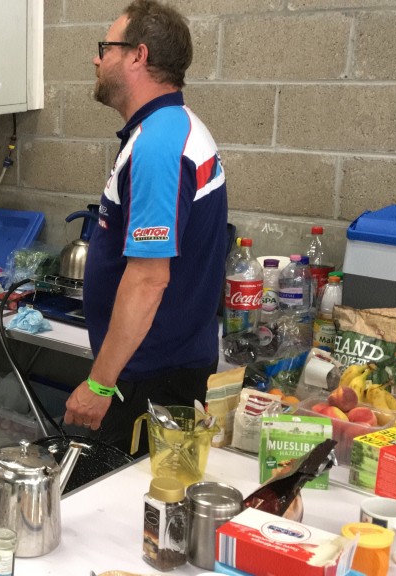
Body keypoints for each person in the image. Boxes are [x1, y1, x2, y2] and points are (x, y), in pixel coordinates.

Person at [63, 0, 228, 456]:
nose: (97, 59)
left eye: (106, 47)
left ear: (138, 55)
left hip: (152, 382)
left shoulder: (159, 146)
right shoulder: (170, 127)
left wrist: (99, 386)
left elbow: (148, 278)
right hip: (161, 370)